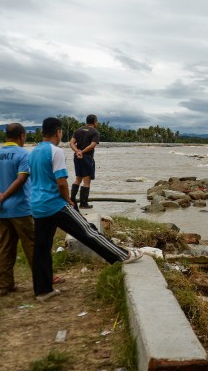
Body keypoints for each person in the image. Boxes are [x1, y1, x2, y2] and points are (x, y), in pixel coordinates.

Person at [28, 117, 142, 301]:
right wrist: (69, 201)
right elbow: (61, 182)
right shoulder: (55, 151)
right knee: (89, 231)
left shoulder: (33, 152)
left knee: (41, 247)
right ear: (58, 132)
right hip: (56, 204)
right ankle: (122, 255)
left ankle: (42, 290)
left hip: (38, 206)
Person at [0, 123, 35, 296]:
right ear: (22, 136)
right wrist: (5, 195)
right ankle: (43, 280)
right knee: (33, 245)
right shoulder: (22, 154)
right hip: (21, 208)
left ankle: (5, 286)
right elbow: (21, 179)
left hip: (1, 210)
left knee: (4, 247)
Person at [70, 114, 100, 209]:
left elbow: (71, 143)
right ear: (94, 122)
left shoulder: (78, 130)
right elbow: (92, 145)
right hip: (87, 157)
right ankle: (83, 203)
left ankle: (72, 200)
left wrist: (77, 151)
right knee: (86, 180)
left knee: (78, 178)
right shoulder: (95, 132)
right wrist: (82, 152)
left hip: (77, 157)